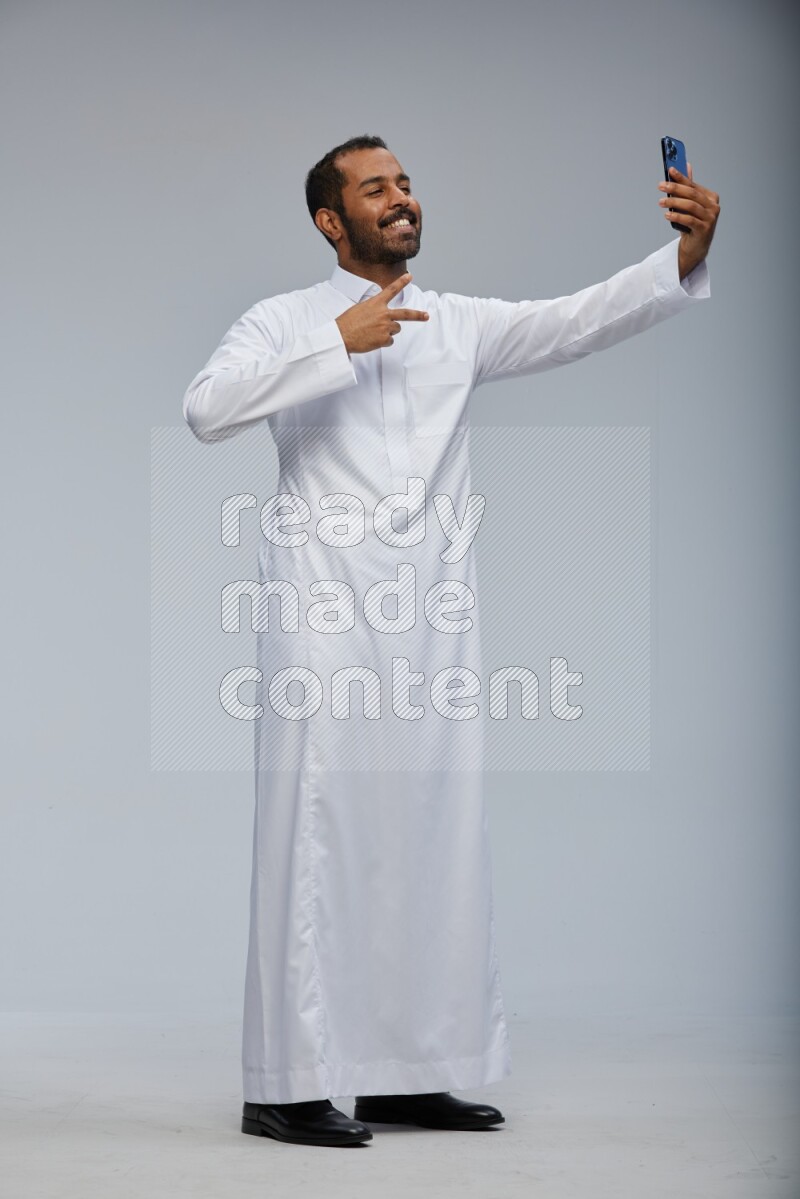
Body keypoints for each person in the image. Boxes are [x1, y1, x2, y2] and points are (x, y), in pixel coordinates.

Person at [181, 135, 719, 1148]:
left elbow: (575, 320)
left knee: (428, 835)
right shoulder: (283, 320)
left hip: (433, 624)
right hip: (323, 621)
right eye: (374, 188)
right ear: (329, 220)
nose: (400, 198)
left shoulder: (456, 323)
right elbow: (205, 409)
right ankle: (285, 1083)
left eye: (405, 183)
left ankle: (407, 1072)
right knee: (313, 838)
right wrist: (334, 342)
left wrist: (679, 260)